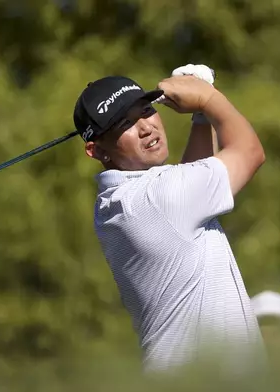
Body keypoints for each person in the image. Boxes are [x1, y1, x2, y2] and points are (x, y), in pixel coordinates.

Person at [73, 64, 267, 375]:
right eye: (124, 124)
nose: (146, 127)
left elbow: (188, 193)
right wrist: (207, 98)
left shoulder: (116, 202)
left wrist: (202, 119)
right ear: (96, 150)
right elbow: (250, 152)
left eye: (146, 110)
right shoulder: (156, 198)